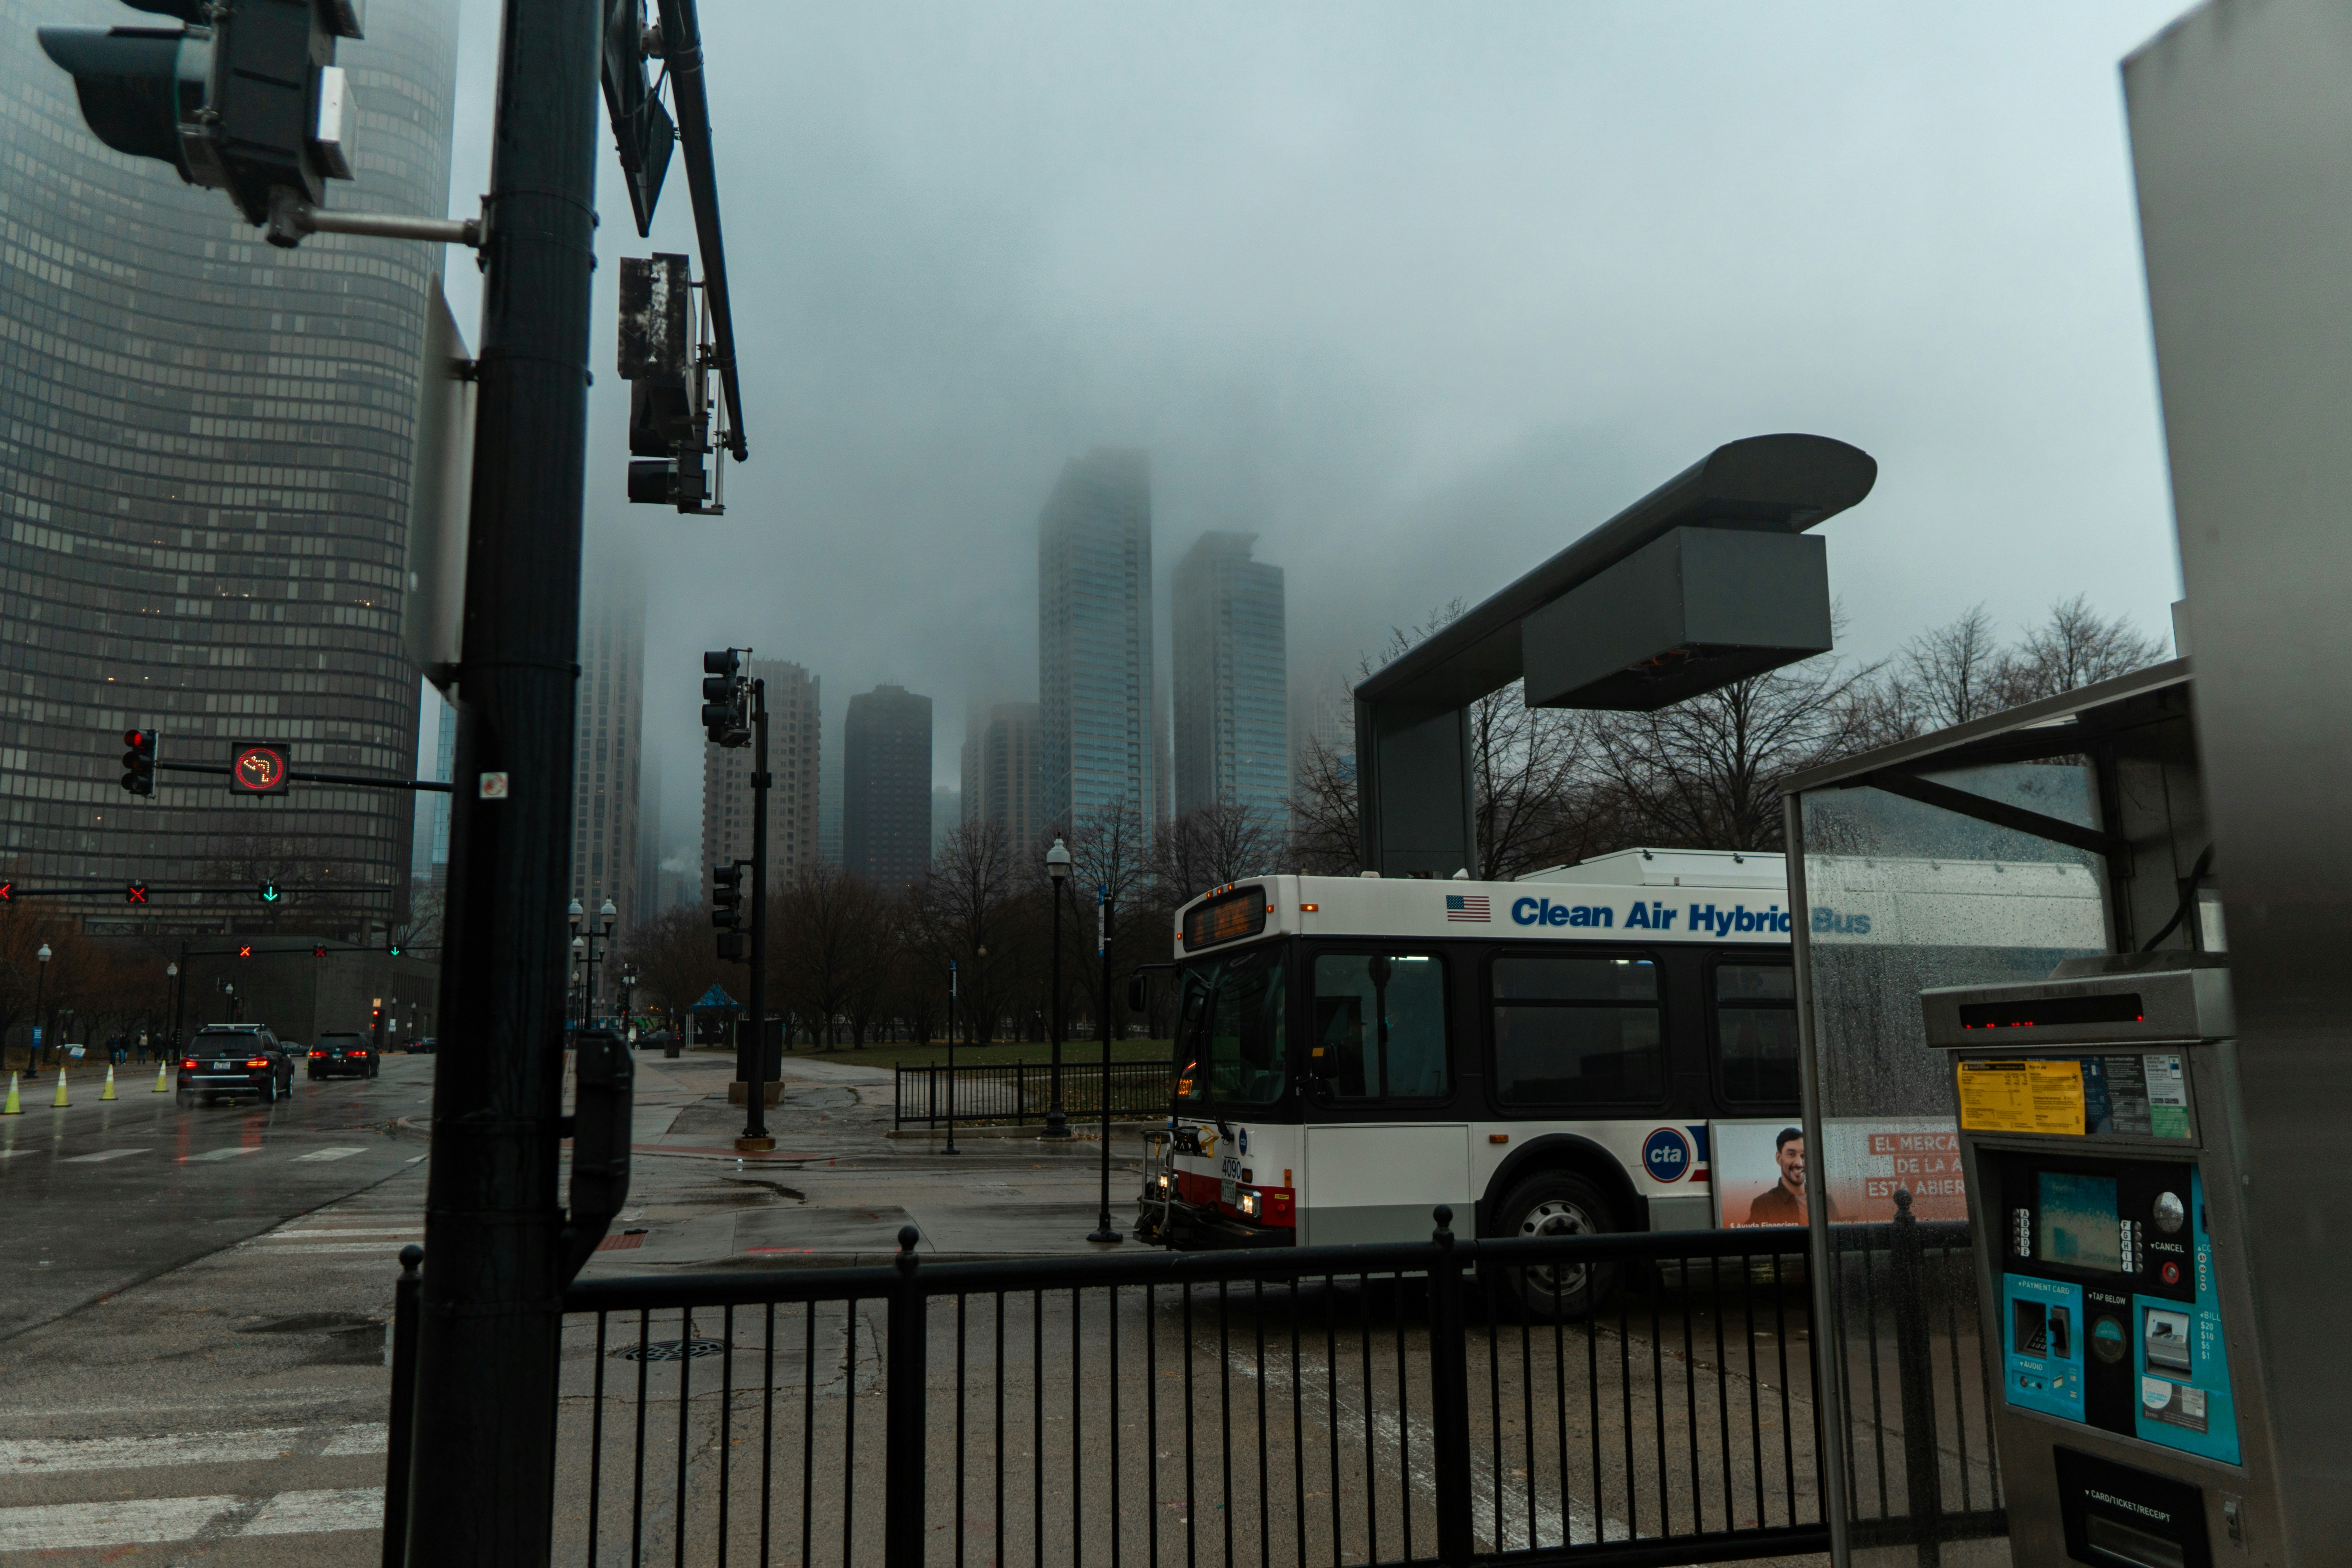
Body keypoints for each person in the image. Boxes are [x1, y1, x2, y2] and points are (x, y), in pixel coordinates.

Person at [1748, 1126, 1817, 1225]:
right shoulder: (1763, 1205)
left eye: (1804, 1156)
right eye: (1792, 1155)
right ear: (1779, 1158)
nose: (1799, 1163)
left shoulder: (1827, 1202)